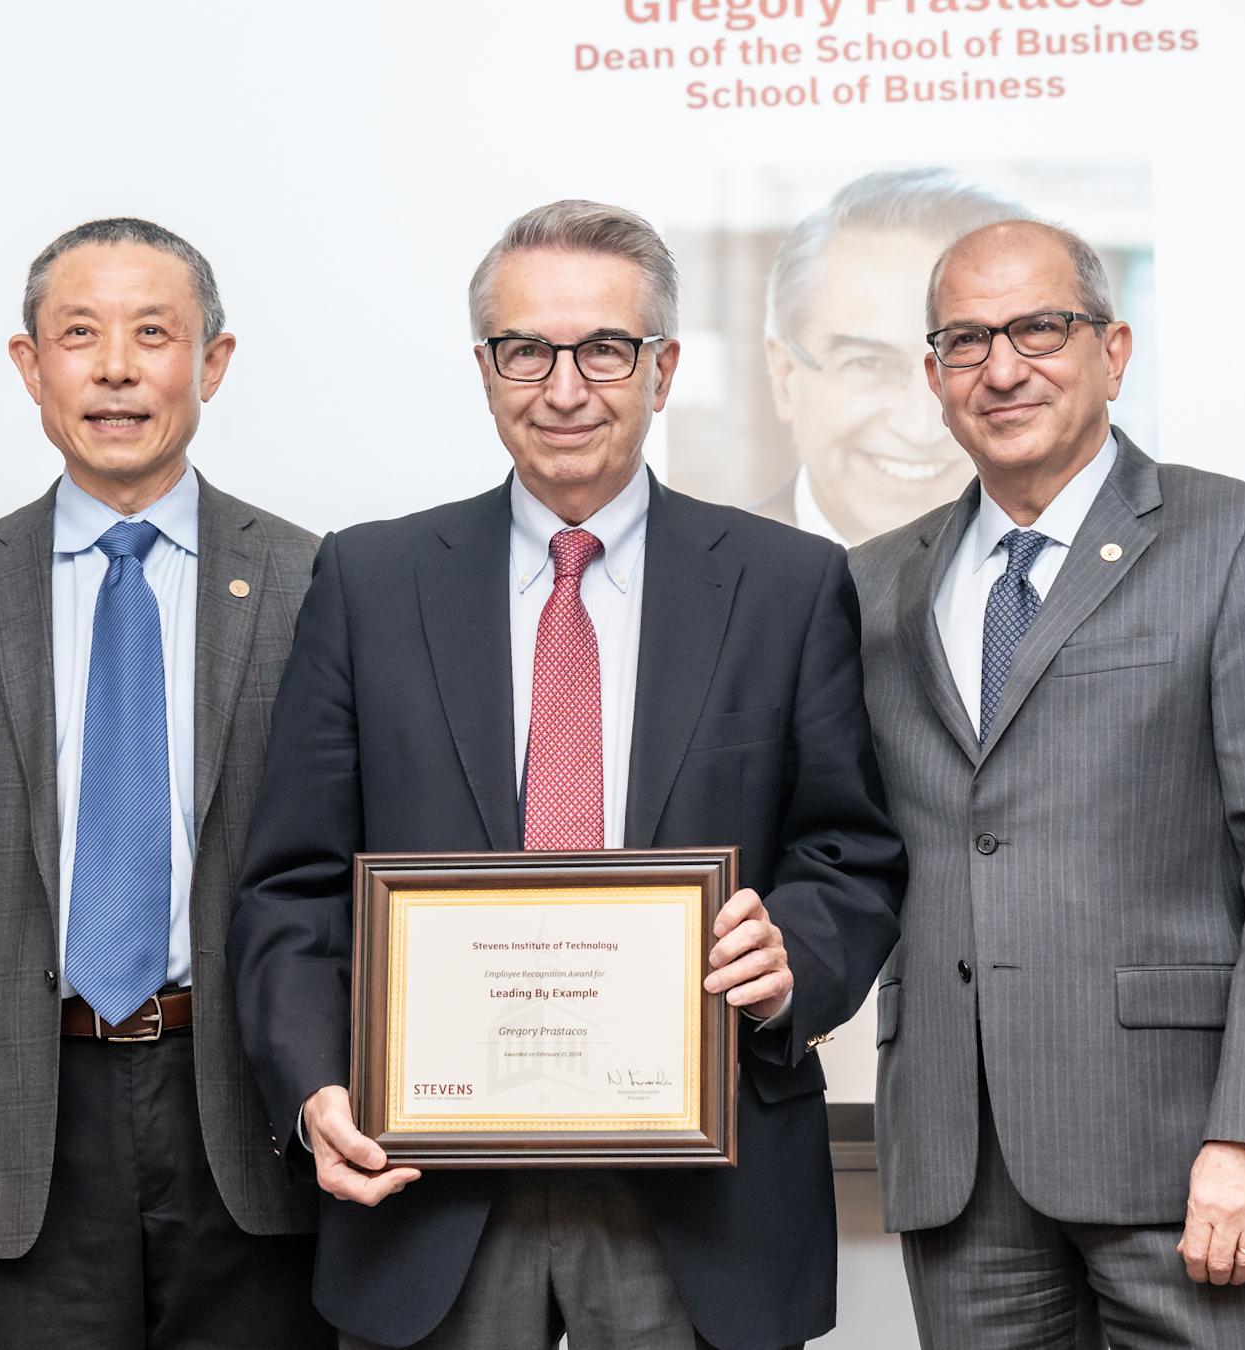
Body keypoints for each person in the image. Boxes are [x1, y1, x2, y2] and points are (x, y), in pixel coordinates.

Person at [230, 200, 905, 1350]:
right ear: (484, 368)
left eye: (605, 348)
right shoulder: (370, 581)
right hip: (429, 1189)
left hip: (706, 1196)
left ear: (664, 367)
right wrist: (311, 1087)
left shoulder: (787, 583)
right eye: (524, 349)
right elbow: (292, 885)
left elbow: (849, 853)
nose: (564, 386)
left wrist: (794, 955)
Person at [850, 218, 1245, 1348]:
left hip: (1187, 1157)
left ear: (1115, 347)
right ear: (934, 375)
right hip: (960, 1166)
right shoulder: (870, 585)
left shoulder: (1240, 540)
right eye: (965, 340)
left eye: (1039, 328)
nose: (1003, 367)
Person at [0, 217, 330, 1347]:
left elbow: (350, 876)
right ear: (32, 366)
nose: (116, 368)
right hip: (18, 1137)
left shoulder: (316, 583)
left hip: (254, 1127)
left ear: (211, 362)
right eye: (79, 334)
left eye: (153, 333)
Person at [758, 167, 1029, 546]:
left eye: (964, 352)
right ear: (784, 376)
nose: (920, 430)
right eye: (868, 364)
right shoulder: (703, 585)